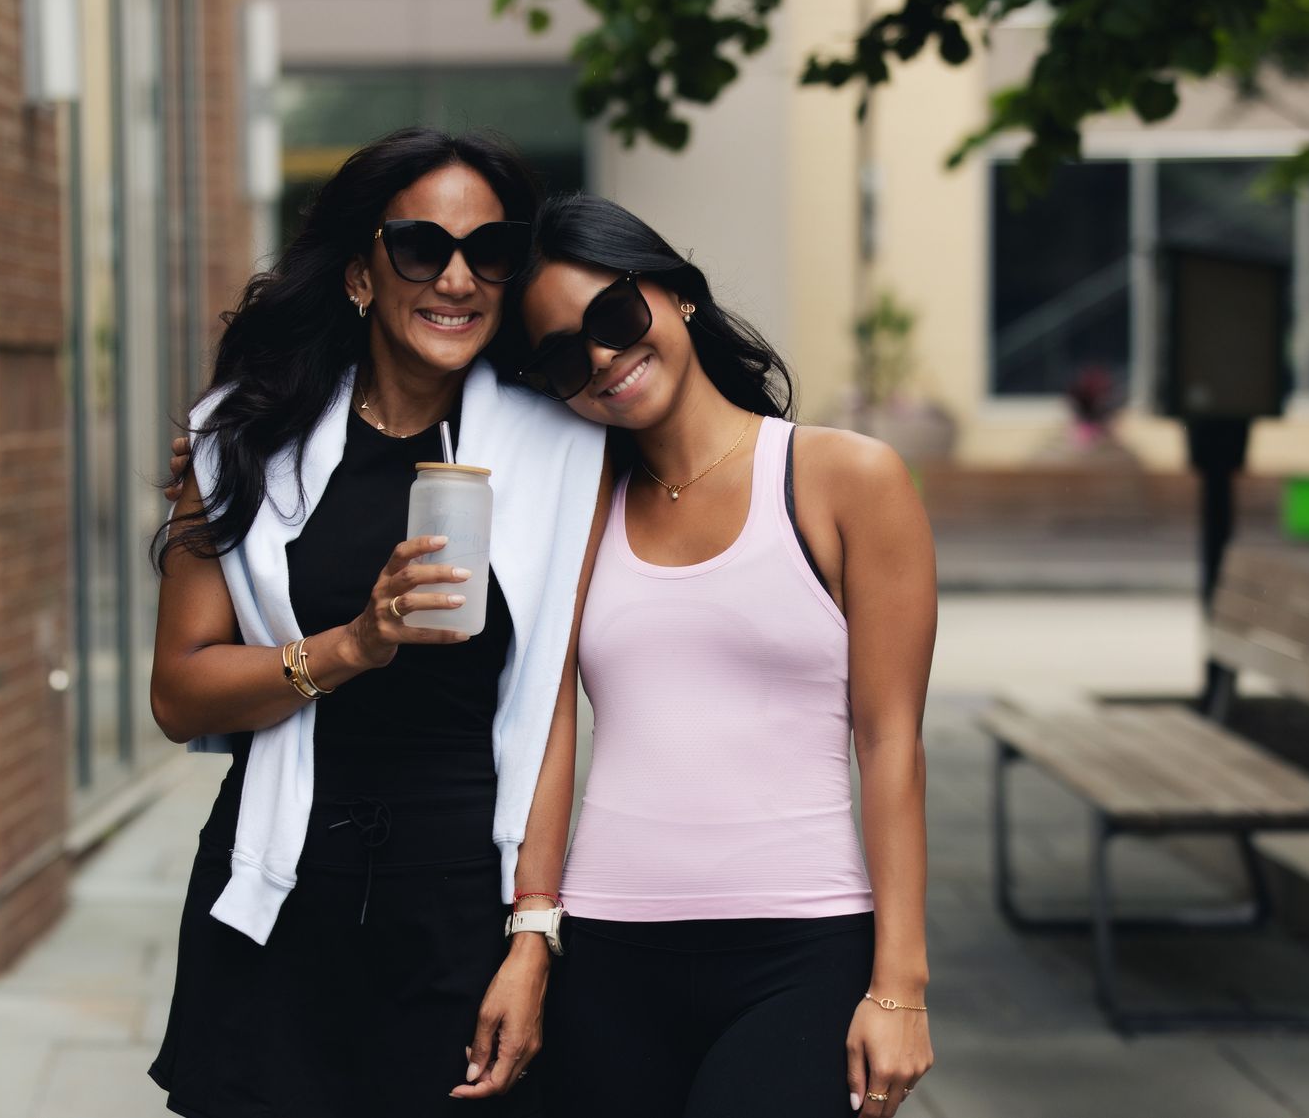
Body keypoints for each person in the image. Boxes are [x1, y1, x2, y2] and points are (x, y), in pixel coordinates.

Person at [147, 129, 606, 1116]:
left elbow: (552, 706)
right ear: (361, 272)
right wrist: (353, 645)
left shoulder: (559, 448)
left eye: (488, 253)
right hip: (277, 894)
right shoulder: (242, 438)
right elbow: (180, 695)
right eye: (420, 248)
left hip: (461, 902)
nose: (457, 277)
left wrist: (535, 937)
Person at [499, 193, 936, 1118]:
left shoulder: (846, 477)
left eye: (614, 316)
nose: (604, 358)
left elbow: (892, 742)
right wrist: (532, 931)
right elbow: (548, 716)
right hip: (608, 949)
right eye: (564, 355)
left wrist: (899, 987)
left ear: (678, 293)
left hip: (801, 952)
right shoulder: (583, 500)